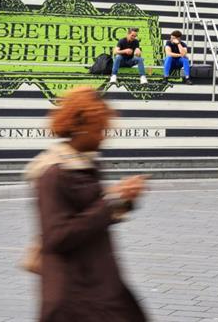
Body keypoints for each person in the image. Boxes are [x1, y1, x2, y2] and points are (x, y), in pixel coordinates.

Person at [24, 87, 148, 322]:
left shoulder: (86, 164)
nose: (104, 136)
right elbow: (56, 236)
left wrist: (123, 199)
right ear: (80, 126)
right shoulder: (52, 173)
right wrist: (110, 200)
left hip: (99, 281)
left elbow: (92, 212)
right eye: (100, 129)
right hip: (71, 292)